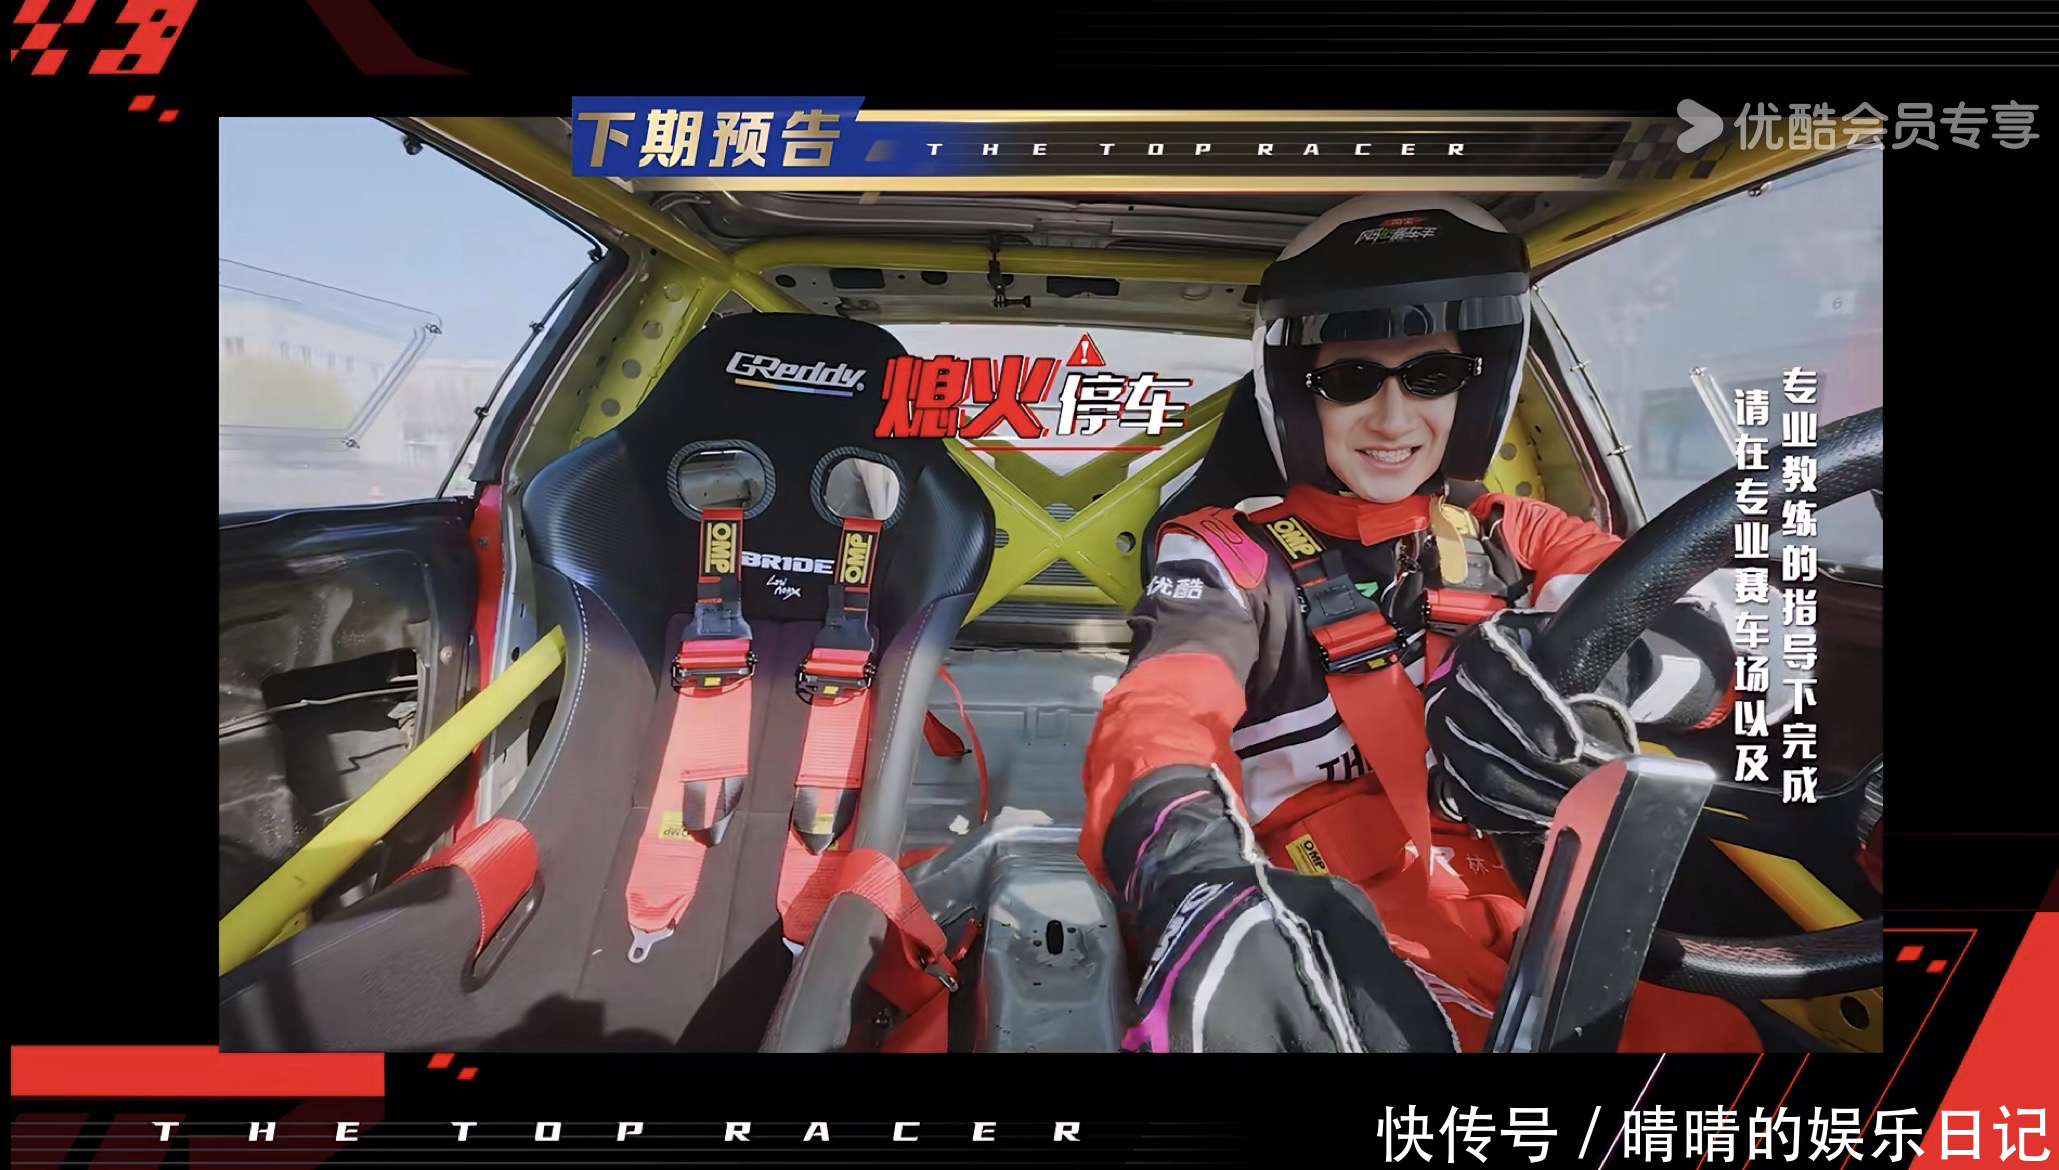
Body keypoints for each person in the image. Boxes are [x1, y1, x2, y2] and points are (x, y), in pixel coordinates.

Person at [1080, 193, 1759, 1052]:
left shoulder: (1518, 532)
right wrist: (1192, 870)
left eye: (1430, 376)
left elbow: (1705, 639)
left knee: (1722, 1040)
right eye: (1350, 380)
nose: (1394, 419)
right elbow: (1162, 710)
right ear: (1300, 396)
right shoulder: (1225, 551)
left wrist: (1608, 677)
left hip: (1530, 894)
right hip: (1320, 906)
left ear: (1472, 390)